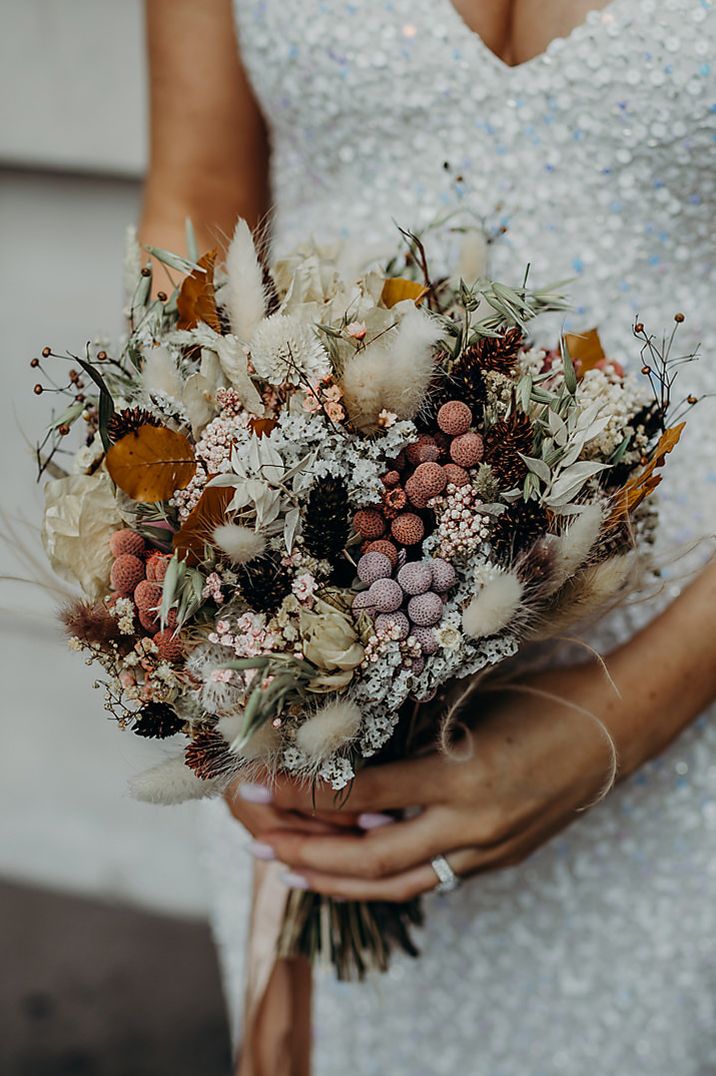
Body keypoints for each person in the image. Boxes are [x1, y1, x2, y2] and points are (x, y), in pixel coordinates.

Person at [139, 1, 716, 1072]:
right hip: (318, 643)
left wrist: (625, 720)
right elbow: (197, 200)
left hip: (691, 659)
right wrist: (220, 567)